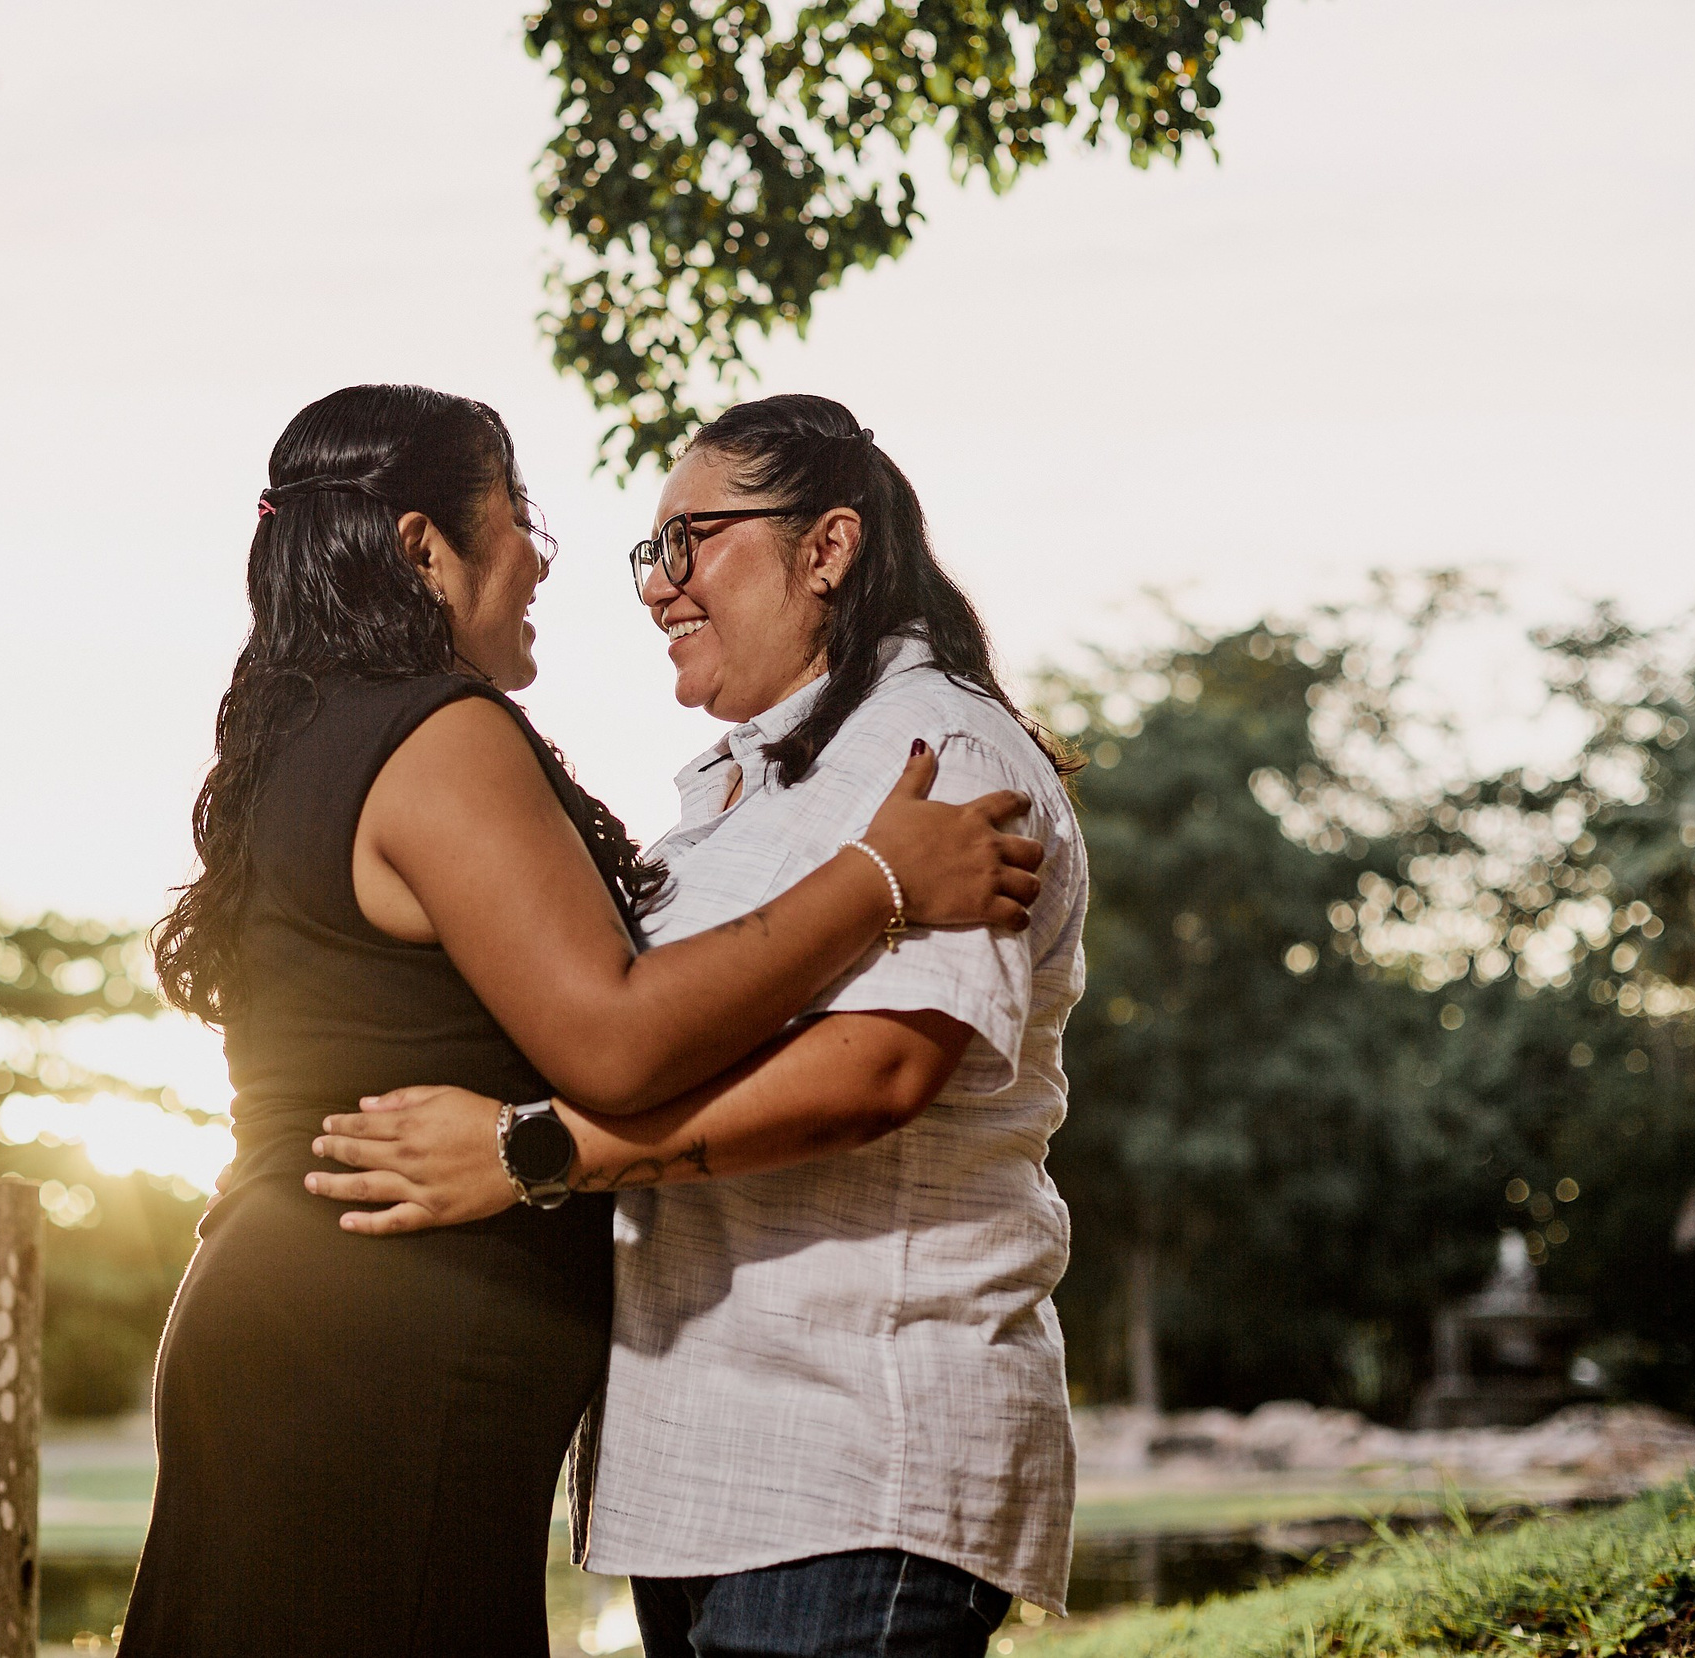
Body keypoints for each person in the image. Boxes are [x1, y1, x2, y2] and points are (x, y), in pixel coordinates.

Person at [117, 384, 1045, 1658]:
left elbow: (874, 1061)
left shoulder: (931, 748)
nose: (555, 556)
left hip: (382, 1333)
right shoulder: (440, 737)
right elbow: (615, 1035)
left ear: (827, 548)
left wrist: (525, 1150)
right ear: (420, 546)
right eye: (516, 514)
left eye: (688, 539)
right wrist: (875, 879)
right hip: (385, 1336)